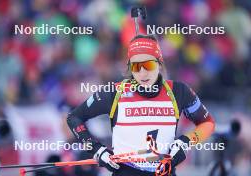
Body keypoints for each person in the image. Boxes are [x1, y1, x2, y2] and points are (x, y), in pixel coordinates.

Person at [67, 34, 215, 176]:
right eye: (136, 67)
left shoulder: (178, 91)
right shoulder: (114, 92)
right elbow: (74, 118)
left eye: (149, 65)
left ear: (159, 63)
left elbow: (207, 123)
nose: (143, 73)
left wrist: (186, 142)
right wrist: (97, 150)